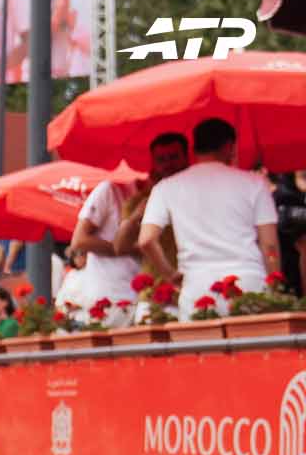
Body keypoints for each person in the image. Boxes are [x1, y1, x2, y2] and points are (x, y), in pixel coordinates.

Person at [137, 118, 282, 318]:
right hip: (248, 282)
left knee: (200, 339)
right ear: (229, 146)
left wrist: (170, 275)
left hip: (197, 286)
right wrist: (275, 286)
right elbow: (270, 246)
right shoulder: (255, 183)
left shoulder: (166, 187)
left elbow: (146, 240)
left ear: (194, 148)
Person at [70, 132, 187, 327]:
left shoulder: (196, 190)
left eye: (173, 157)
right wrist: (136, 221)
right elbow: (102, 244)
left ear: (186, 158)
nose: (168, 164)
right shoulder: (125, 195)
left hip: (169, 291)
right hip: (141, 295)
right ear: (153, 164)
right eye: (161, 159)